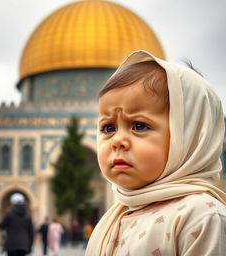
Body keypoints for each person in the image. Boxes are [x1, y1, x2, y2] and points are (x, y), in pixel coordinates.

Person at [85, 50, 226, 255]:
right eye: (108, 128)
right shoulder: (115, 218)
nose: (117, 140)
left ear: (191, 135)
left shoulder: (202, 217)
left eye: (139, 126)